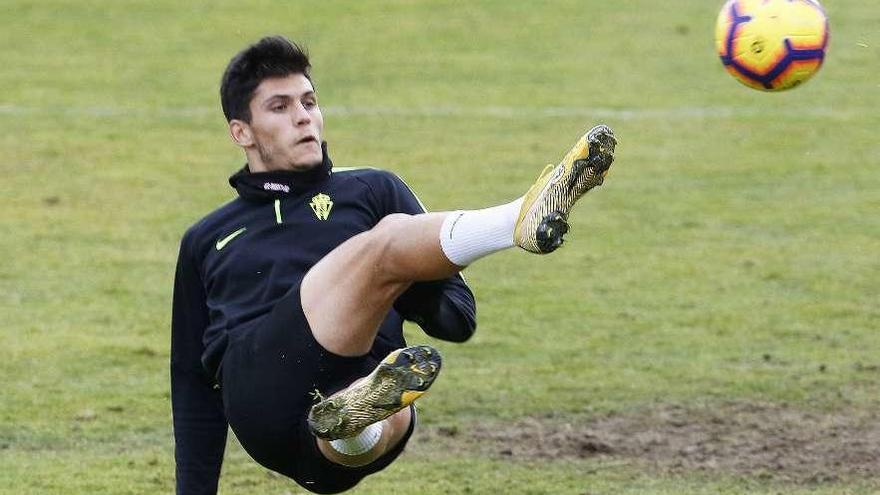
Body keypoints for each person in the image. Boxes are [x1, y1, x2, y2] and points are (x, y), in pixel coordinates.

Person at [170, 35, 616, 495]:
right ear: (241, 131)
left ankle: (351, 420)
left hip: (338, 436)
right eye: (280, 107)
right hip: (263, 392)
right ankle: (518, 216)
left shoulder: (372, 190)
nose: (304, 116)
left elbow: (457, 319)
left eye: (309, 101)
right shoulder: (209, 237)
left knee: (391, 401)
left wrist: (408, 281)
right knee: (383, 243)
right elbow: (191, 381)